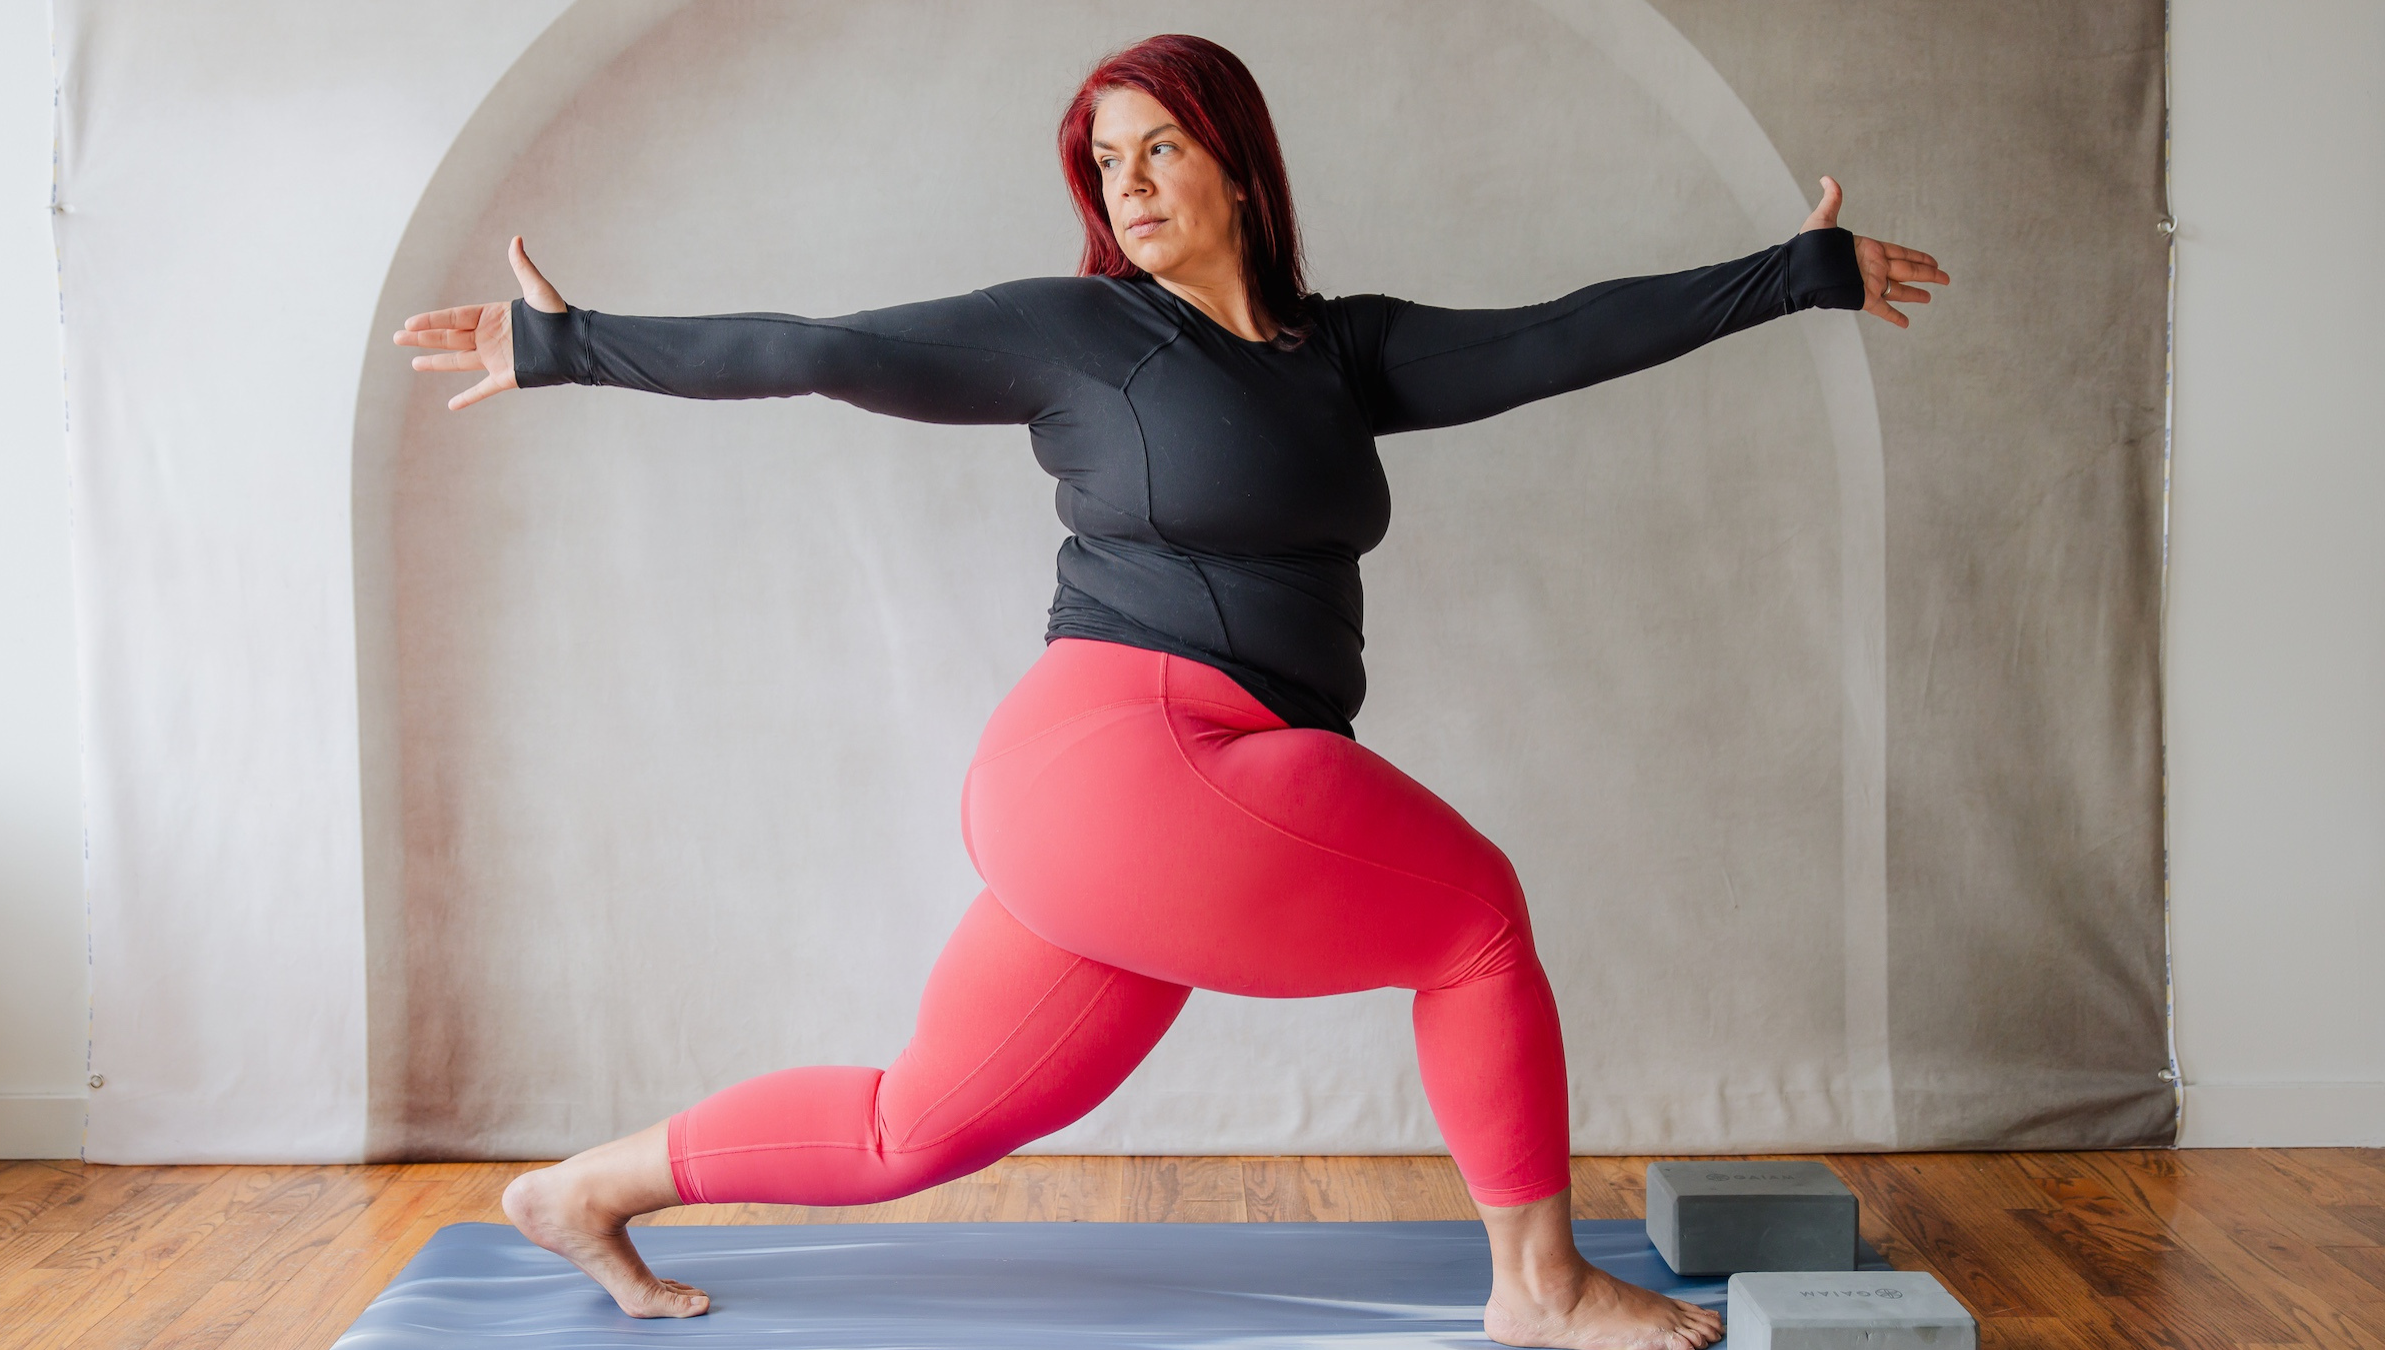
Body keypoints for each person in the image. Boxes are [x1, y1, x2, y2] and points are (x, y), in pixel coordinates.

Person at [393, 33, 1943, 1350]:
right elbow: (823, 347)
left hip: (1155, 796)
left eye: (1157, 148)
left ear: (1240, 167)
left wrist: (1795, 275)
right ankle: (1535, 1285)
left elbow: (1563, 335)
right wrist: (571, 345)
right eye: (1102, 162)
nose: (1126, 184)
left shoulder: (1346, 355)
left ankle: (578, 1188)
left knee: (914, 1124)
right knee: (1473, 917)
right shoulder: (1083, 337)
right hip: (1127, 752)